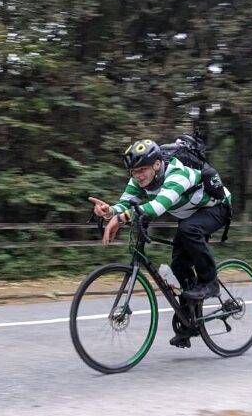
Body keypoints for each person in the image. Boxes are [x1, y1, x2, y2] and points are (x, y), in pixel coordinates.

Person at [89, 138, 232, 347]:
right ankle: (189, 324)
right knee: (178, 267)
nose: (138, 176)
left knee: (188, 230)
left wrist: (121, 218)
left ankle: (210, 282)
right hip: (190, 213)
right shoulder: (139, 179)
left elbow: (158, 207)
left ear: (157, 164)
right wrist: (109, 211)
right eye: (134, 172)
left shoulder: (177, 173)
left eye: (142, 170)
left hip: (216, 207)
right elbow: (126, 203)